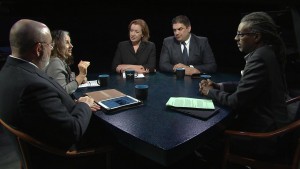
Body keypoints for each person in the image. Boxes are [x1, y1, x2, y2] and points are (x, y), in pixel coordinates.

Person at [0, 19, 111, 169]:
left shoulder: (7, 72)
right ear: (38, 48)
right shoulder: (33, 87)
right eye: (50, 45)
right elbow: (73, 131)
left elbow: (46, 111)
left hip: (40, 148)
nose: (51, 48)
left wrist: (74, 105)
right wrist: (84, 105)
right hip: (61, 158)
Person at [44, 30, 90, 94]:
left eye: (70, 42)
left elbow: (65, 78)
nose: (71, 46)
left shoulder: (60, 60)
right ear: (57, 45)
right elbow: (63, 92)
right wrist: (82, 75)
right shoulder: (55, 62)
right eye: (67, 42)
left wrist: (78, 79)